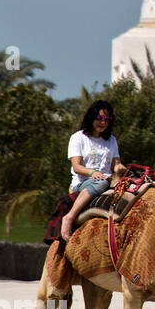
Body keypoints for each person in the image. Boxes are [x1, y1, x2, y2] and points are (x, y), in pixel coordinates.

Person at [61, 100, 128, 240]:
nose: (103, 122)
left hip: (107, 181)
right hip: (84, 182)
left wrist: (120, 168)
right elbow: (76, 166)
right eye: (99, 118)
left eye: (107, 119)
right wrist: (93, 173)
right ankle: (70, 217)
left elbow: (116, 164)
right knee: (101, 183)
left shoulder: (111, 140)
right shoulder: (78, 138)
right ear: (91, 117)